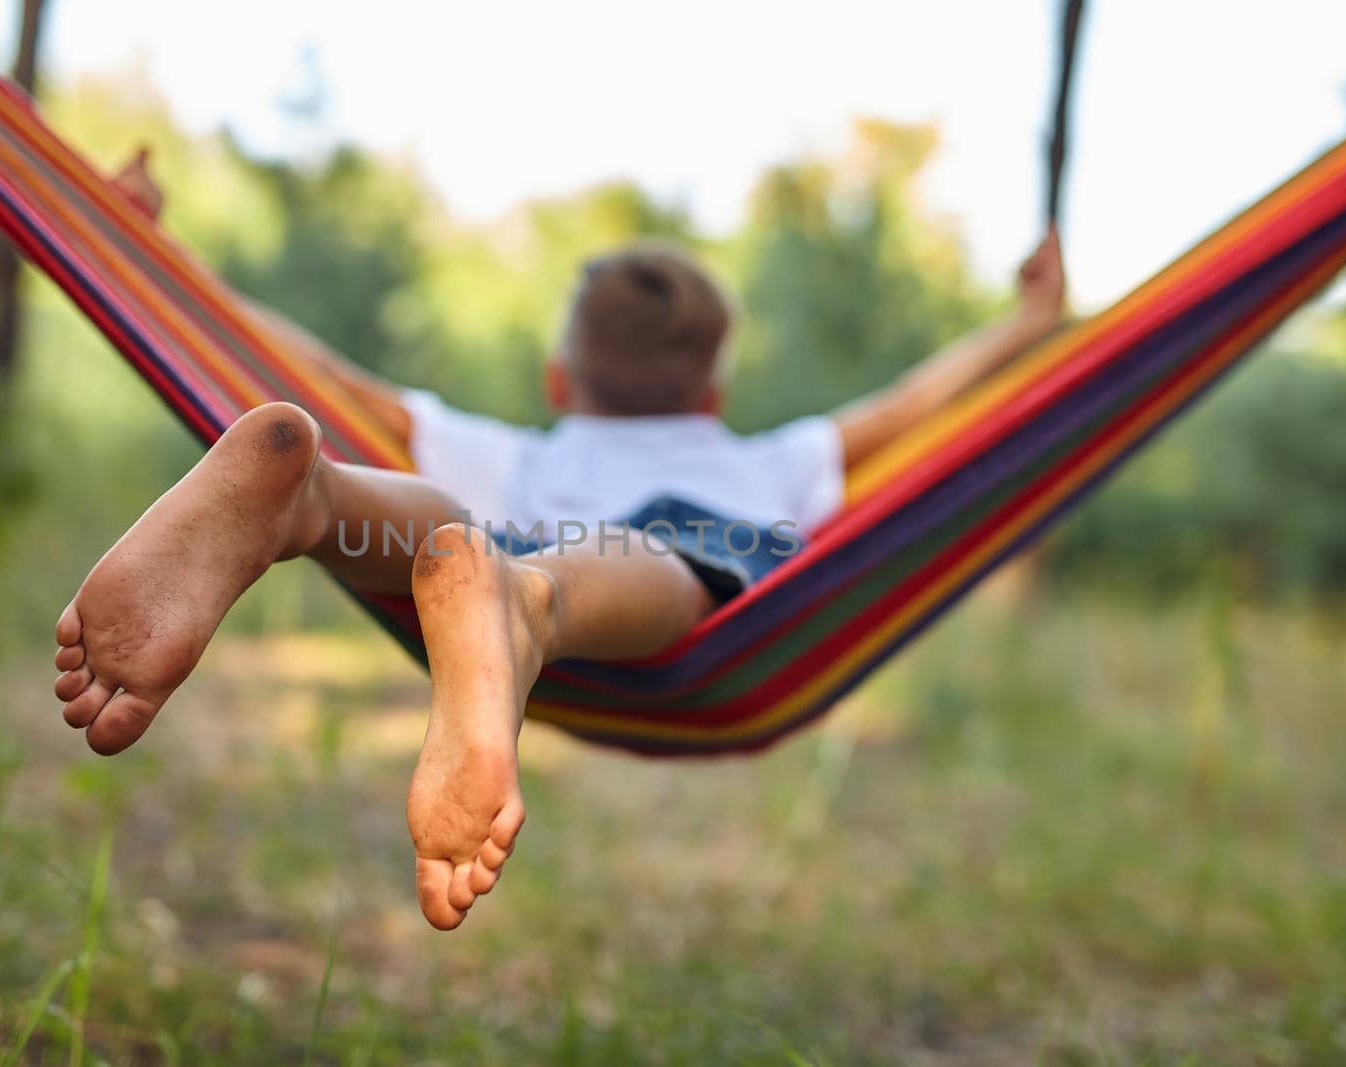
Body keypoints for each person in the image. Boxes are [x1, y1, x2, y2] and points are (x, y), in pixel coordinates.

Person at [53, 151, 1066, 930]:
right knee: (613, 565)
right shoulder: (771, 460)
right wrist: (1026, 323)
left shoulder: (523, 452)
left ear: (558, 382)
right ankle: (522, 609)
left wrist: (162, 263)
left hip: (519, 525)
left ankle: (310, 498)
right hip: (646, 564)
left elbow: (327, 374)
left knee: (439, 527)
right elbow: (915, 404)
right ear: (709, 395)